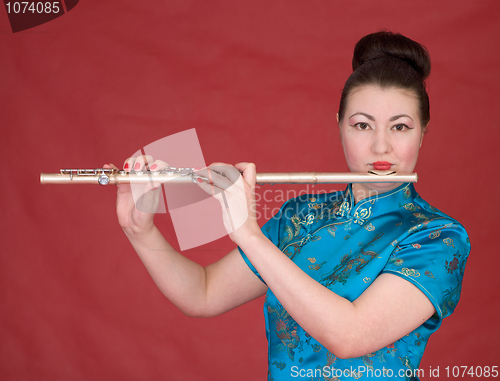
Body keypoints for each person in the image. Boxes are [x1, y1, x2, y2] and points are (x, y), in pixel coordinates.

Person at [104, 31, 470, 380]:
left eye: (400, 127)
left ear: (424, 131)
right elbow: (203, 293)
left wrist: (248, 235)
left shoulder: (439, 237)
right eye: (362, 125)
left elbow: (350, 336)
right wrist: (140, 231)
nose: (380, 147)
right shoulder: (299, 217)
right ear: (340, 125)